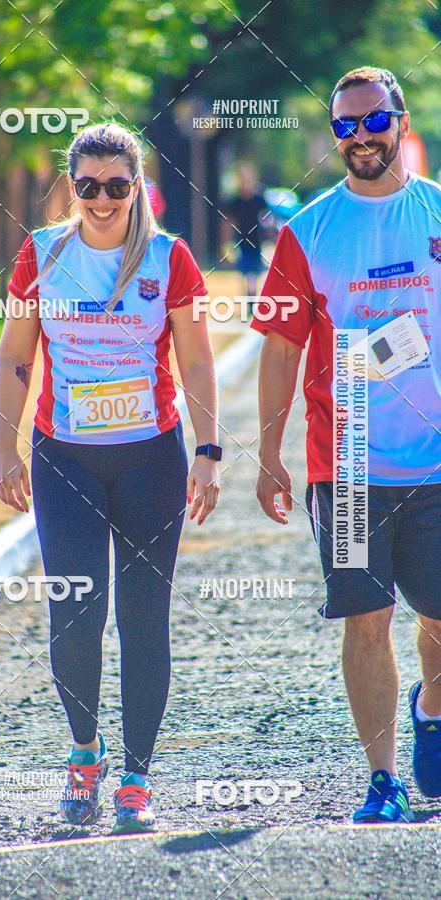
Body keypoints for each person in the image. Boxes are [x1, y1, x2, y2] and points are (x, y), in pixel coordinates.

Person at [0, 122, 222, 834]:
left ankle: (135, 777)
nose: (100, 200)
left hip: (151, 457)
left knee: (143, 619)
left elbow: (198, 361)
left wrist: (209, 451)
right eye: (87, 186)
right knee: (76, 611)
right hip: (66, 460)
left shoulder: (167, 257)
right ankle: (84, 754)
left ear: (137, 187)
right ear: (72, 187)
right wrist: (6, 451)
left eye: (116, 187)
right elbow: (15, 357)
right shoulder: (41, 254)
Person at [252, 66, 441, 823]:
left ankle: (429, 707)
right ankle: (383, 779)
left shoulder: (434, 215)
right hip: (351, 465)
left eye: (371, 121)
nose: (359, 137)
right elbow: (278, 347)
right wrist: (269, 453)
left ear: (399, 120)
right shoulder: (309, 232)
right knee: (367, 619)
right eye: (343, 126)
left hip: (435, 464)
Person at [224, 163, 268, 296]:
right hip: (242, 242)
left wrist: (269, 231)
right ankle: (249, 298)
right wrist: (226, 243)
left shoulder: (259, 200)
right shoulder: (236, 201)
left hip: (256, 241)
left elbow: (266, 217)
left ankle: (252, 296)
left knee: (254, 273)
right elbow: (229, 223)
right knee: (246, 272)